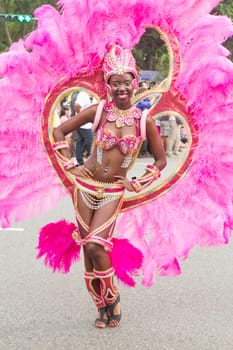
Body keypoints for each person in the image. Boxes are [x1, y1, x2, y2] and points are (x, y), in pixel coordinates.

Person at [52, 44, 166, 329]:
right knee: (87, 252)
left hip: (112, 193)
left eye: (126, 82)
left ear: (134, 83)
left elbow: (162, 160)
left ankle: (112, 298)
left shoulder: (143, 121)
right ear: (109, 86)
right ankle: (100, 307)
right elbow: (58, 130)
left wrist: (138, 181)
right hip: (84, 187)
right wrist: (69, 164)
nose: (122, 88)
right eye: (116, 83)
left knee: (95, 245)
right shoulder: (99, 110)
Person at [74, 90, 94, 165]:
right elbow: (77, 105)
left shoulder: (87, 95)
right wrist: (80, 116)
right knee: (89, 140)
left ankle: (80, 161)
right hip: (84, 125)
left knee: (80, 141)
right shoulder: (83, 93)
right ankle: (88, 159)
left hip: (83, 124)